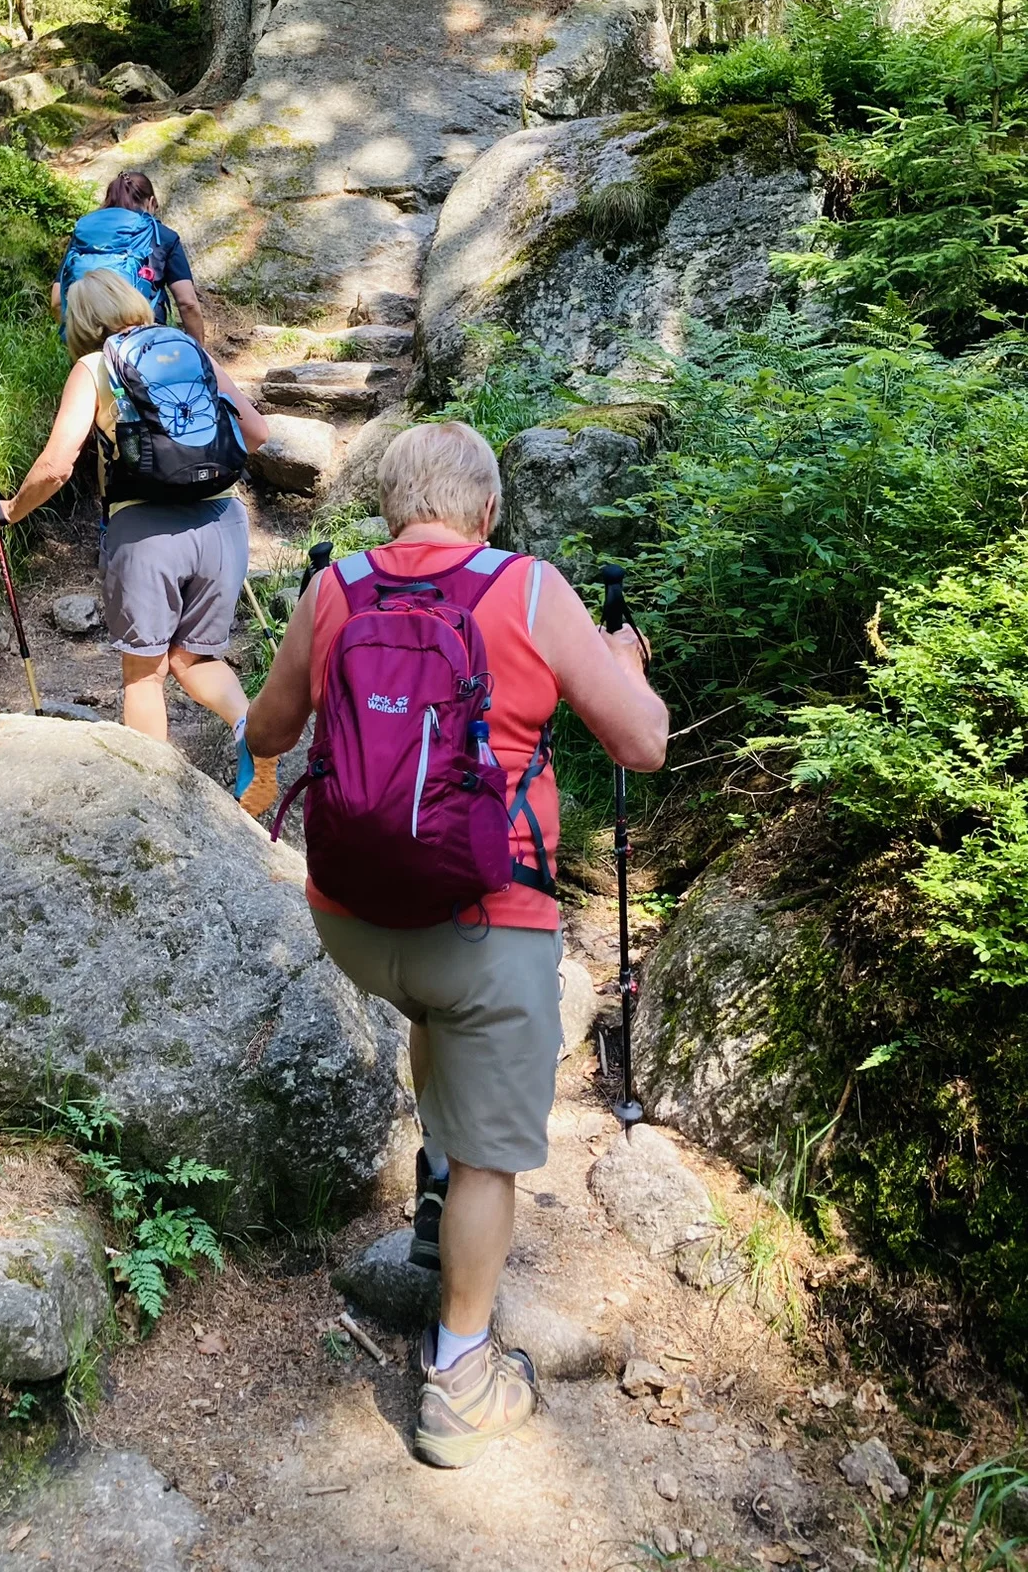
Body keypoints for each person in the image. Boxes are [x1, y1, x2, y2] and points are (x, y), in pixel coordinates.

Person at [243, 420, 669, 1470]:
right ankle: (460, 1373)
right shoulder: (528, 587)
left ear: (391, 506)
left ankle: (433, 1200)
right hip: (483, 922)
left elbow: (262, 732)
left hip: (350, 921)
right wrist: (620, 662)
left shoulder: (334, 586)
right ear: (486, 512)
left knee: (437, 1012)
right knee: (494, 1149)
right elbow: (644, 743)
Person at [0, 271, 277, 795]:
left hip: (146, 531)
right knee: (195, 658)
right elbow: (257, 432)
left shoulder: (94, 366)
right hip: (222, 523)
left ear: (80, 320)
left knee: (145, 673)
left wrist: (10, 511)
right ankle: (252, 730)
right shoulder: (190, 350)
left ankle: (150, 799)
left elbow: (56, 466)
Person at [50, 171, 207, 345]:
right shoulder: (162, 235)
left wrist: (77, 339)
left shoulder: (84, 234)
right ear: (152, 202)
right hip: (142, 343)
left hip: (87, 339)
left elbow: (57, 301)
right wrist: (201, 355)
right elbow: (188, 303)